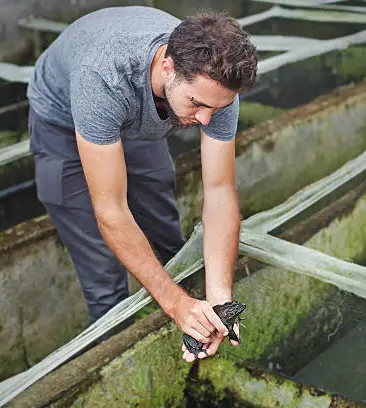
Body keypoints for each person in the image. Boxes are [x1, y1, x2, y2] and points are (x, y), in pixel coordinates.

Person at [26, 5, 258, 363]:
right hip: (62, 124)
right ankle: (118, 362)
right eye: (196, 104)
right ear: (168, 65)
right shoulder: (103, 76)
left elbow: (219, 193)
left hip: (139, 113)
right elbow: (111, 212)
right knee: (102, 268)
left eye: (217, 108)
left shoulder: (215, 85)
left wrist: (221, 298)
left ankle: (196, 321)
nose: (206, 119)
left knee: (164, 227)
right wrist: (175, 303)